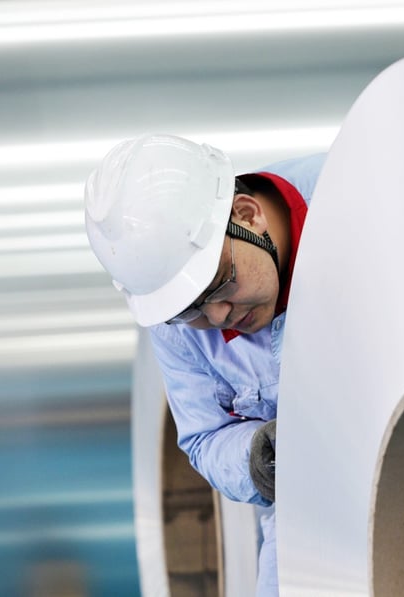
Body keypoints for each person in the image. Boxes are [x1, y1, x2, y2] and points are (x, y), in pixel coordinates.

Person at [84, 133, 324, 596]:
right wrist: (255, 454)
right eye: (191, 310)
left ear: (247, 215)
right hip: (309, 515)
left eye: (220, 284)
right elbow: (205, 436)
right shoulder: (173, 322)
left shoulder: (354, 197)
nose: (217, 317)